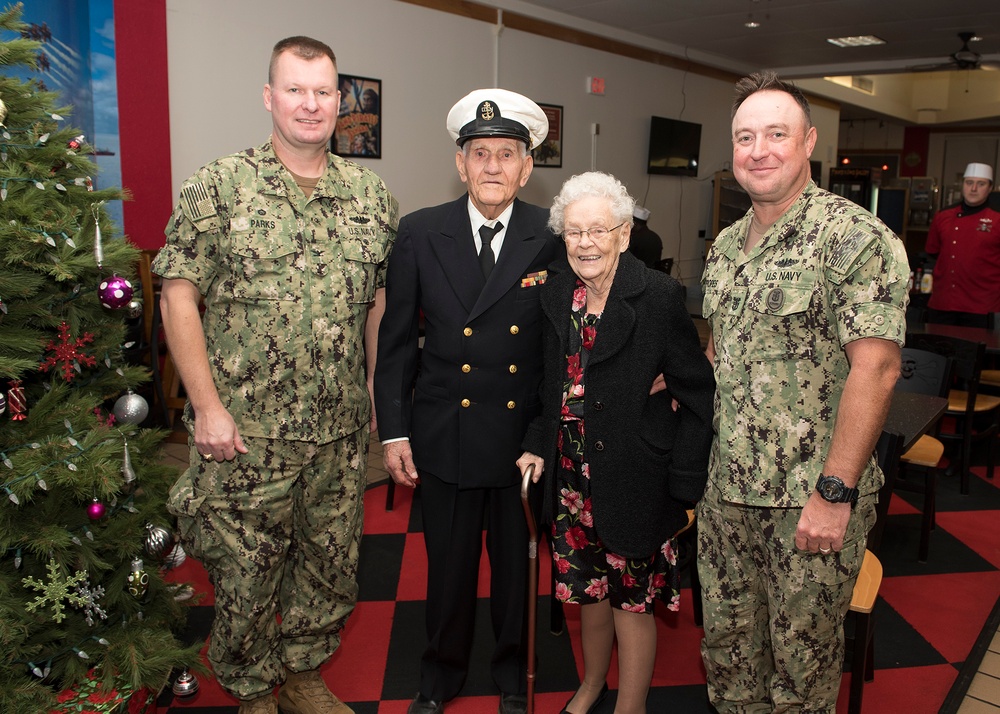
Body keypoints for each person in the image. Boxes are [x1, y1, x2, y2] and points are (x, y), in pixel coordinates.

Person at [153, 36, 398, 714]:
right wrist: (205, 406)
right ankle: (253, 690)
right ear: (270, 97)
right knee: (246, 579)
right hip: (246, 435)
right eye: (295, 89)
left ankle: (302, 676)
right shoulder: (220, 184)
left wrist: (382, 398)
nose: (311, 104)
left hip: (339, 434)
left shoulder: (371, 198)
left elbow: (377, 307)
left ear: (339, 101)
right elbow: (178, 295)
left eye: (323, 92)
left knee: (329, 569)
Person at [699, 71, 908, 712]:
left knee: (799, 678)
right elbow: (719, 355)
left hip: (807, 504)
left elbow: (876, 370)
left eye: (776, 134)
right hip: (726, 496)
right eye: (744, 136)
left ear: (808, 141)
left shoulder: (854, 237)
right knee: (730, 666)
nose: (758, 150)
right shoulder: (726, 246)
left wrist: (834, 492)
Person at [373, 88, 561, 714]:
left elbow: (557, 354)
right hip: (442, 435)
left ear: (526, 166)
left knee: (515, 575)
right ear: (460, 163)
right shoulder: (422, 232)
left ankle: (512, 677)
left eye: (506, 154)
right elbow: (396, 342)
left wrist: (542, 435)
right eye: (479, 153)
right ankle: (440, 677)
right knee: (447, 574)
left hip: (517, 444)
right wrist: (393, 433)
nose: (492, 167)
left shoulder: (552, 235)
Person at [517, 172, 715, 714]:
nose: (584, 243)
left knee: (633, 602)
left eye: (598, 230)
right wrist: (537, 440)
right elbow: (548, 382)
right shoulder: (557, 291)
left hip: (637, 474)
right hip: (572, 477)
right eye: (573, 231)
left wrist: (684, 479)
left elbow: (698, 392)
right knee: (587, 596)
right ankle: (590, 685)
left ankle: (632, 707)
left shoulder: (658, 296)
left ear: (624, 235)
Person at [924, 162, 1000, 328]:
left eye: (981, 184)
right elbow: (933, 252)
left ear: (990, 188)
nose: (973, 189)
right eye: (969, 183)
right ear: (962, 185)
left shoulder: (997, 217)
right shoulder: (943, 215)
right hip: (943, 303)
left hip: (982, 307)